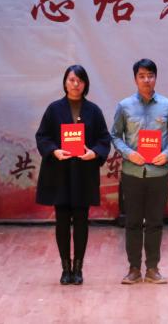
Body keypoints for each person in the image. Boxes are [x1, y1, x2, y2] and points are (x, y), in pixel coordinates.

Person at [35, 65, 113, 286]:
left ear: (85, 84)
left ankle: (78, 268)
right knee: (61, 222)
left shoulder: (93, 111)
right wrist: (54, 151)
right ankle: (65, 268)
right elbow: (42, 136)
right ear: (65, 82)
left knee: (81, 222)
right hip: (59, 173)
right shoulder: (54, 109)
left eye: (79, 80)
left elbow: (104, 139)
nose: (75, 84)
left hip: (83, 174)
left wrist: (94, 153)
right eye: (71, 80)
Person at [110, 58, 168, 285]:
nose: (146, 80)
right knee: (132, 222)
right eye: (141, 76)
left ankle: (152, 268)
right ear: (135, 79)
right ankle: (133, 269)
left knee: (155, 222)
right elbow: (115, 135)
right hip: (133, 173)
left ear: (155, 78)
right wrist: (128, 153)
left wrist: (167, 153)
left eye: (150, 75)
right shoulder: (124, 106)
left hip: (158, 174)